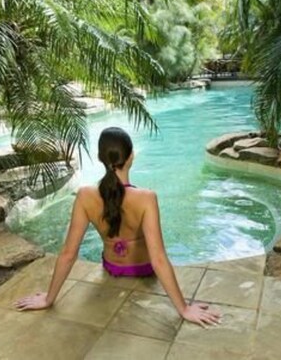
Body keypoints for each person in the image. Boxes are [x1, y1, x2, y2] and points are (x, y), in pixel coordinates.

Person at [14, 127, 221, 327]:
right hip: (143, 269)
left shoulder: (85, 196)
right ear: (131, 157)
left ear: (100, 158)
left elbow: (68, 253)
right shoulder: (146, 198)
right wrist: (184, 309)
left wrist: (49, 298)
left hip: (112, 267)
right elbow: (158, 259)